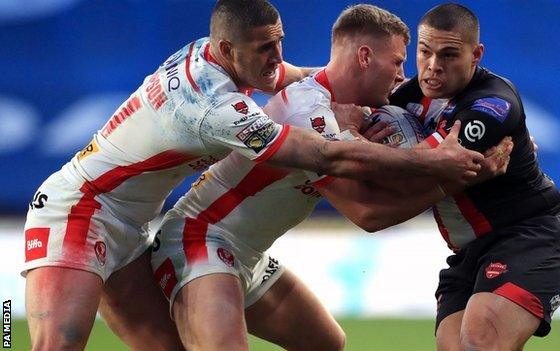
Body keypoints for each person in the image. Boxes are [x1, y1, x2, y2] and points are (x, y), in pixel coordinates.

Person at [22, 0, 485, 349]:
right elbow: (334, 166)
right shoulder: (219, 108)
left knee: (325, 344)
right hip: (85, 210)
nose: (277, 57)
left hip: (145, 225)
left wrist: (338, 90)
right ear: (228, 50)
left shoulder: (220, 57)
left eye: (278, 43)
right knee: (54, 346)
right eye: (267, 48)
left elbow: (296, 77)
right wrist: (444, 167)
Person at [150, 4, 511, 351]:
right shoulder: (309, 113)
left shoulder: (350, 112)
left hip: (246, 253)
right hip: (201, 238)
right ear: (365, 57)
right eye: (398, 62)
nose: (403, 75)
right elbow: (368, 213)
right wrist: (456, 178)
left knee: (324, 342)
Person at [387, 3, 560, 350]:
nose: (433, 66)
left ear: (476, 54)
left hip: (530, 238)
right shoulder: (409, 95)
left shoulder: (492, 104)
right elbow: (342, 82)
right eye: (424, 52)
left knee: (480, 341)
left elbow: (423, 163)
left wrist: (344, 153)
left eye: (448, 55)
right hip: (470, 251)